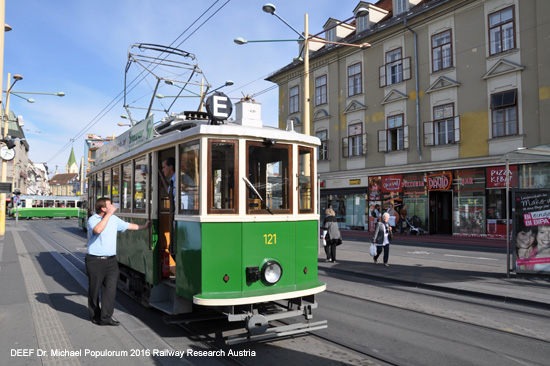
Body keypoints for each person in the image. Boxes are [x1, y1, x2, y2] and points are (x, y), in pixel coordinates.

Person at [86, 197, 151, 326]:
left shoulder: (114, 219)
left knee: (110, 290)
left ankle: (105, 318)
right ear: (103, 208)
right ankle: (95, 315)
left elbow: (127, 226)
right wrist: (109, 215)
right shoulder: (92, 220)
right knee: (94, 290)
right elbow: (97, 230)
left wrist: (144, 226)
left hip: (111, 260)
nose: (113, 205)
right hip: (95, 261)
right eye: (110, 204)